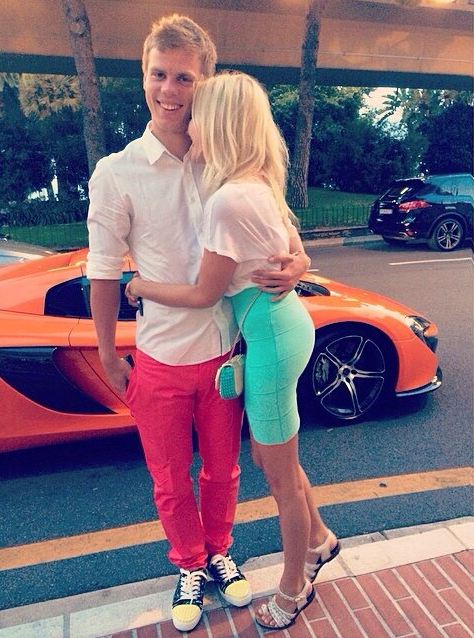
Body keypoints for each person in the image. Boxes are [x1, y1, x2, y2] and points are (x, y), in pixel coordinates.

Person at [86, 14, 310, 633]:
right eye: (158, 74)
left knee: (224, 471)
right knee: (168, 478)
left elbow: (276, 228)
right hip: (159, 355)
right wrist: (107, 354)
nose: (169, 89)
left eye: (184, 78)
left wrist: (297, 264)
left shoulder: (223, 161)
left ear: (203, 83)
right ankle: (188, 562)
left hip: (223, 351)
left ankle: (218, 551)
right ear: (144, 76)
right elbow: (102, 270)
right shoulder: (117, 171)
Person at [124, 71, 341, 631]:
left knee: (279, 477)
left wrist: (141, 285)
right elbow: (294, 247)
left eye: (198, 114)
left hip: (271, 340)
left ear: (219, 123)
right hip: (281, 329)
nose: (190, 122)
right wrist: (298, 263)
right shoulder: (256, 182)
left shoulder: (227, 201)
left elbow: (204, 293)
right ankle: (320, 537)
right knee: (274, 459)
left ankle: (294, 588)